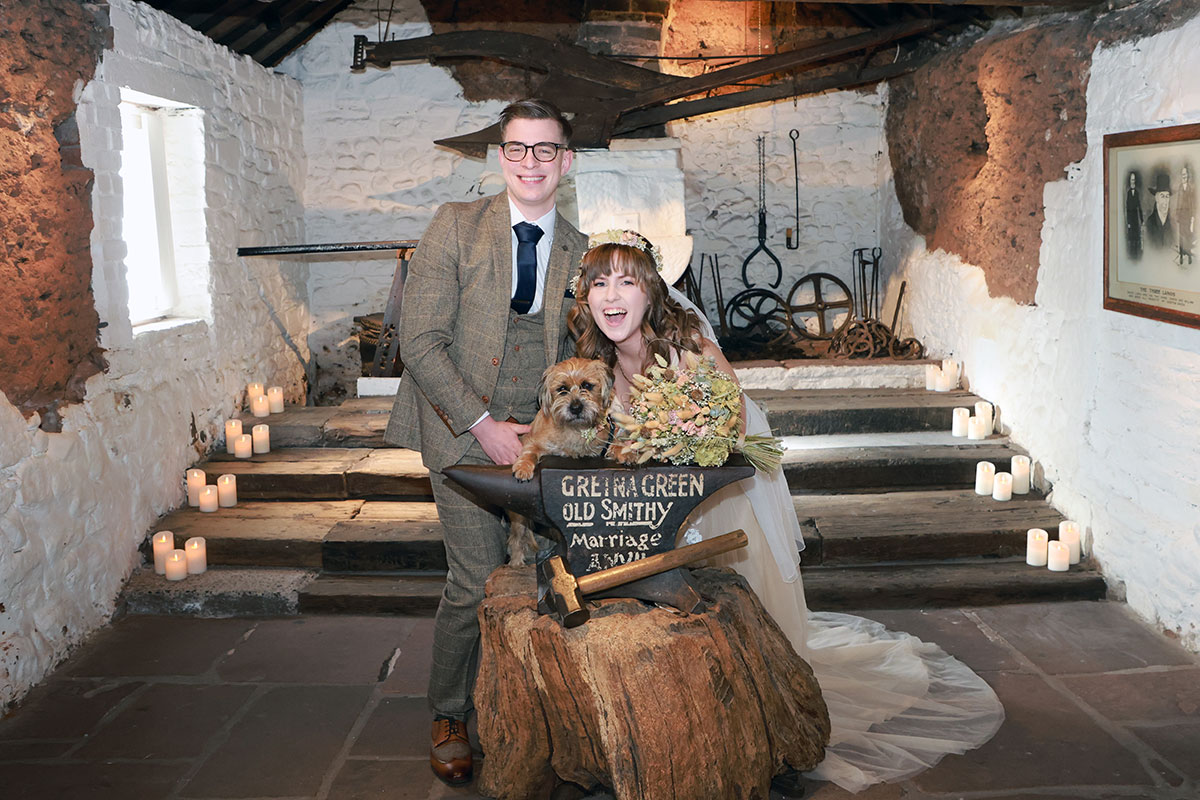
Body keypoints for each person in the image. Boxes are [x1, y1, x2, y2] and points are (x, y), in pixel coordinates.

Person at [569, 231, 1005, 793]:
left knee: (736, 596)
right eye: (600, 282)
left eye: (627, 281)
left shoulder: (688, 341)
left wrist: (677, 438)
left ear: (651, 292)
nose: (612, 295)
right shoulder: (595, 359)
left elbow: (730, 419)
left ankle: (758, 709)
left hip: (725, 478)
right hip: (663, 487)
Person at [384, 99, 589, 786]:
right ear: (500, 157)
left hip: (545, 438)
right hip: (459, 427)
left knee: (544, 574)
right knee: (474, 578)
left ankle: (528, 707)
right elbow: (419, 341)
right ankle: (448, 714)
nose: (531, 162)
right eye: (518, 149)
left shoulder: (579, 249)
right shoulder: (456, 226)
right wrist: (482, 425)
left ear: (566, 159)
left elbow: (589, 347)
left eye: (546, 149)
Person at [1144, 170, 1175, 251]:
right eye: (1162, 196)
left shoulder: (1173, 223)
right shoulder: (1149, 223)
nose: (1165, 201)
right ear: (1156, 198)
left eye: (1167, 196)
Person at [1178, 165, 1195, 265]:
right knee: (1181, 237)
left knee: (1188, 236)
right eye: (1182, 174)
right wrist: (1177, 215)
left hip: (1188, 216)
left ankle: (1189, 255)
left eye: (1185, 174)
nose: (1183, 176)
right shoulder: (1180, 187)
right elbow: (1177, 203)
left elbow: (1192, 203)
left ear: (1187, 175)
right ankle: (1181, 255)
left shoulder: (1190, 188)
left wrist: (1192, 217)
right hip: (1181, 216)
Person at [1125, 171, 1144, 260]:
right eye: (1132, 180)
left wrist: (1141, 219)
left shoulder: (1136, 192)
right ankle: (1132, 254)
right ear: (1130, 181)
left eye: (1134, 180)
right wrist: (1128, 222)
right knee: (1131, 237)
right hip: (1130, 218)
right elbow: (1127, 208)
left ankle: (1137, 254)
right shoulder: (1128, 193)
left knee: (1137, 236)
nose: (1133, 182)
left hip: (1136, 218)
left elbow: (1139, 205)